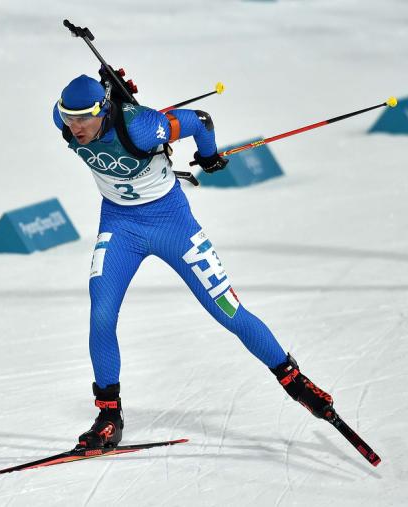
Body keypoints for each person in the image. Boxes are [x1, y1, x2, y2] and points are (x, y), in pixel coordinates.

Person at [53, 74, 335, 449]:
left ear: (103, 109)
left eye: (83, 119)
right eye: (68, 118)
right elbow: (76, 119)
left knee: (227, 311)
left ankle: (294, 380)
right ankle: (108, 416)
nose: (75, 127)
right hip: (120, 226)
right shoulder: (63, 120)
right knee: (101, 315)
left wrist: (209, 154)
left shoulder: (141, 127)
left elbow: (200, 121)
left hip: (173, 224)